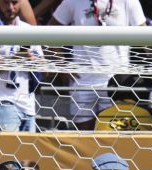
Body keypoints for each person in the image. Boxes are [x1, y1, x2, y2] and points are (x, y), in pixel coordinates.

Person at [49, 0, 146, 131]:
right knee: (85, 141)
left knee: (112, 137)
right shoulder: (73, 1)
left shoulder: (128, 1)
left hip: (115, 83)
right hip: (82, 81)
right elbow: (50, 29)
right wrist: (60, 63)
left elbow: (147, 36)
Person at [0, 0, 43, 132]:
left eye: (14, 2)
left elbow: (43, 67)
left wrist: (32, 61)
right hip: (0, 102)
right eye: (6, 3)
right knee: (8, 150)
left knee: (28, 152)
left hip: (27, 104)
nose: (10, 7)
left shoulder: (28, 30)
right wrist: (11, 61)